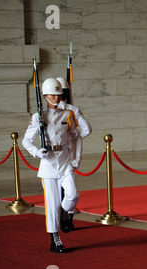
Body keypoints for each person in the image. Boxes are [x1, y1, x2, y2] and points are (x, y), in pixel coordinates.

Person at [22, 78, 80, 253]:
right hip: (48, 165)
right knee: (52, 203)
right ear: (45, 96)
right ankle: (55, 240)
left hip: (64, 160)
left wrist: (76, 157)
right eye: (53, 95)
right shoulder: (38, 117)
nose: (57, 97)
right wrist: (37, 152)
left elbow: (75, 137)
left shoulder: (66, 114)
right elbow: (26, 140)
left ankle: (64, 212)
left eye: (58, 94)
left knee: (73, 194)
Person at [56, 77, 92, 230]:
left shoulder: (50, 112)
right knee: (70, 189)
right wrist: (74, 139)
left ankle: (60, 217)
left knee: (61, 190)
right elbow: (87, 129)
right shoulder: (73, 109)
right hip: (70, 154)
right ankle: (68, 219)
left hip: (55, 156)